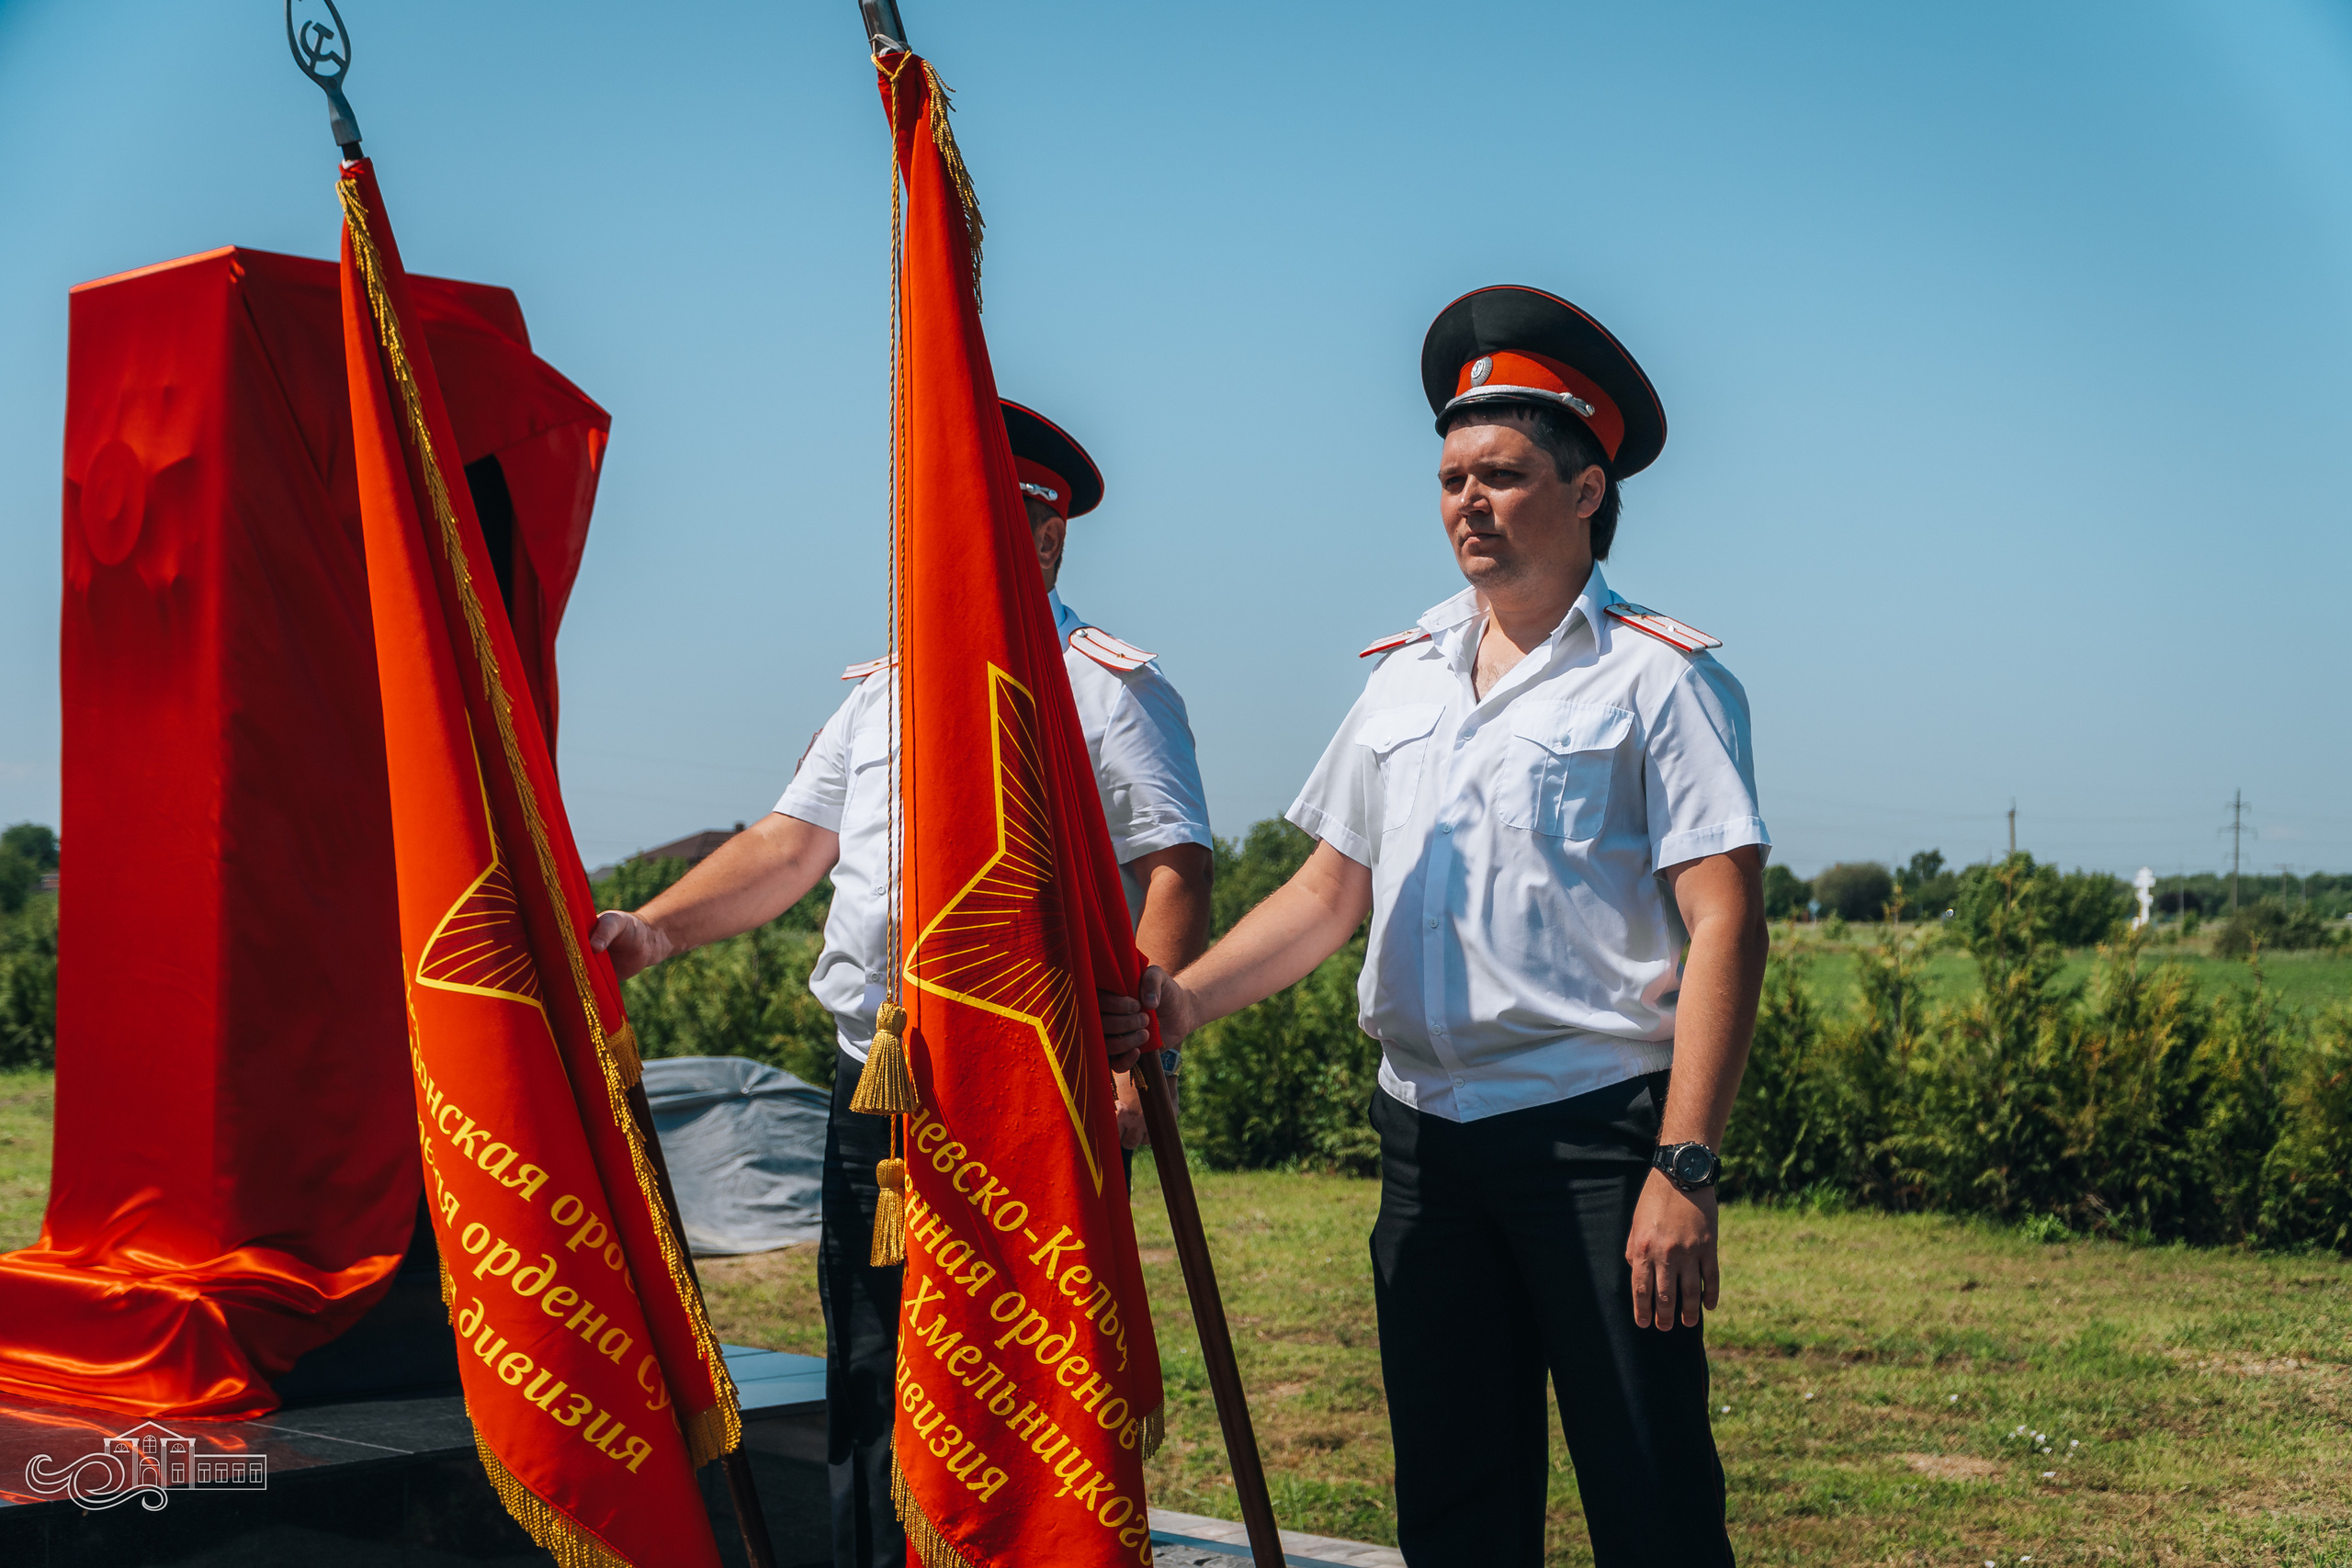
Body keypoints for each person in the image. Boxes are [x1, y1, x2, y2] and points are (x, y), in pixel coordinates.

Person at [1102, 287, 1768, 1567]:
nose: (1469, 499)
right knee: (1455, 1505)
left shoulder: (1662, 679)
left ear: (1587, 490)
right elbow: (1324, 890)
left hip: (1595, 1140)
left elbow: (1725, 918)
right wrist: (1182, 997)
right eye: (1454, 474)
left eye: (1504, 474)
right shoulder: (1403, 674)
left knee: (1651, 1493)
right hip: (1426, 1144)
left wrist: (1683, 1165)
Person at [592, 400, 1213, 1568]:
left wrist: (1143, 1058)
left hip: (1030, 1088)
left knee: (1020, 1374)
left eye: (999, 519)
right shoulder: (879, 689)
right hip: (873, 1091)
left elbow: (1172, 866)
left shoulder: (1105, 688)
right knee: (872, 1368)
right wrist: (651, 931)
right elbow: (786, 847)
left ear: (1046, 535)